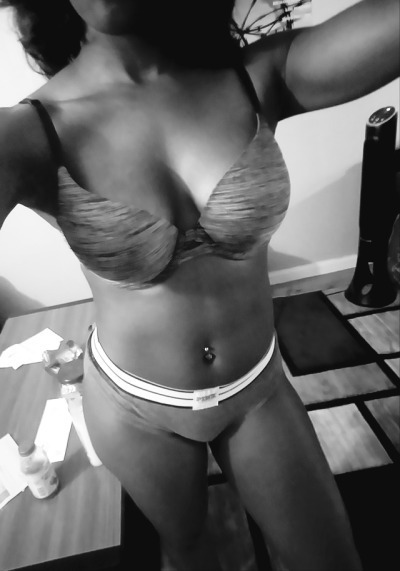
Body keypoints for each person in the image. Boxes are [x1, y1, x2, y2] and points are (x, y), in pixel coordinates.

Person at [0, 1, 398, 569]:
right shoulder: (26, 133)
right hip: (134, 406)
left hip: (255, 388)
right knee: (188, 550)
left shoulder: (258, 76)